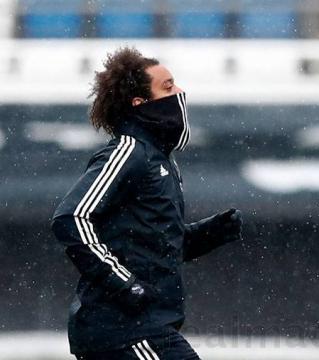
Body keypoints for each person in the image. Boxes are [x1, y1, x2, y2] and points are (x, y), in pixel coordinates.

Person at [51, 47, 243, 360]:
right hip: (123, 329)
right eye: (168, 87)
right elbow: (71, 218)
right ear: (140, 104)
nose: (180, 93)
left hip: (143, 326)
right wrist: (124, 284)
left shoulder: (161, 161)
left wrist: (209, 233)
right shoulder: (129, 151)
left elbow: (154, 247)